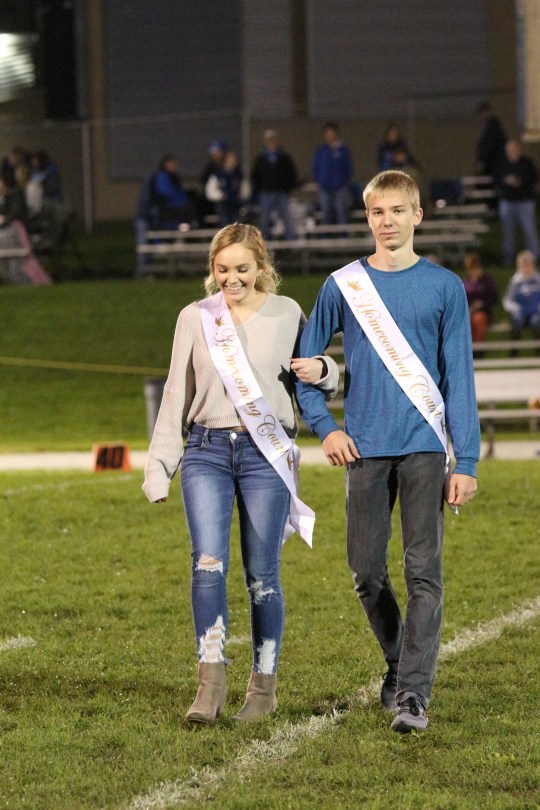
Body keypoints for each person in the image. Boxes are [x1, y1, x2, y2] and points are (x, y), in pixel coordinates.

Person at [295, 170, 479, 733]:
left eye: (399, 211)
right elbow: (304, 369)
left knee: (424, 572)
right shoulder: (342, 285)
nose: (388, 221)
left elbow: (459, 380)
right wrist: (326, 427)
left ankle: (413, 695)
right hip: (365, 450)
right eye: (378, 212)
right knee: (365, 572)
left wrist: (465, 461)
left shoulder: (445, 286)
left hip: (425, 448)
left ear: (418, 215)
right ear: (368, 217)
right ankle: (400, 663)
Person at [142, 222, 339, 724]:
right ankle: (210, 683)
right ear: (212, 271)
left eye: (243, 268)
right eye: (223, 269)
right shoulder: (195, 318)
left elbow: (316, 374)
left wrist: (329, 371)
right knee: (208, 563)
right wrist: (159, 465)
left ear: (261, 268)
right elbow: (175, 393)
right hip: (206, 450)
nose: (233, 278)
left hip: (265, 455)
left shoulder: (287, 312)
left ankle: (263, 688)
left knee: (262, 576)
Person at [494, 138, 540, 266]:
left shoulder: (526, 163)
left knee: (529, 230)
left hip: (525, 202)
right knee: (507, 232)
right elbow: (497, 179)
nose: (513, 151)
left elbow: (534, 178)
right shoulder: (502, 164)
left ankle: (533, 258)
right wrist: (506, 182)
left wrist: (520, 182)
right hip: (507, 202)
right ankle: (508, 259)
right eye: (510, 149)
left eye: (515, 148)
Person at [0, 170, 52, 285]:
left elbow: (14, 215)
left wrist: (3, 224)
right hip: (9, 231)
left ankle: (35, 280)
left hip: (15, 231)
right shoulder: (7, 197)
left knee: (20, 260)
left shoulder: (16, 195)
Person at [251, 130, 297, 240]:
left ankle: (289, 243)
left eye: (273, 139)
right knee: (264, 219)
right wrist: (259, 189)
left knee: (286, 218)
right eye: (269, 140)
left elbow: (291, 173)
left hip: (281, 192)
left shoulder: (284, 157)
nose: (271, 142)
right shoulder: (261, 159)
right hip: (266, 193)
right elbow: (255, 176)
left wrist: (287, 187)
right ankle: (264, 244)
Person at [312, 122, 353, 225]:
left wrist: (342, 181)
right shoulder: (321, 150)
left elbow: (348, 168)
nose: (329, 135)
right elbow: (315, 168)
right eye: (327, 133)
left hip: (340, 187)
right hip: (324, 187)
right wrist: (320, 181)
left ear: (336, 133)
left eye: (331, 133)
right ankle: (326, 238)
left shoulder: (343, 150)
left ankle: (343, 237)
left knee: (341, 211)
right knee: (325, 212)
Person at [502, 249, 540, 355]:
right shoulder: (515, 282)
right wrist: (516, 308)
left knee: (537, 322)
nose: (526, 267)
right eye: (524, 265)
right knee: (517, 321)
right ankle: (514, 352)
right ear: (519, 266)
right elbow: (507, 300)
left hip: (535, 313)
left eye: (529, 264)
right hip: (520, 313)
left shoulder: (538, 280)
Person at [462, 251, 498, 350]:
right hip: (468, 311)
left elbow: (493, 298)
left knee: (478, 320)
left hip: (484, 311)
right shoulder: (466, 280)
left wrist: (481, 304)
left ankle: (478, 350)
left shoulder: (487, 280)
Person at [153, 153, 197, 229]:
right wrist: (183, 202)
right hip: (170, 210)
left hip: (178, 208)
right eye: (172, 163)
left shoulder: (173, 177)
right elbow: (168, 193)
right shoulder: (163, 177)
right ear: (166, 164)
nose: (174, 166)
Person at [204, 150, 245, 227]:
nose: (232, 162)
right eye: (230, 160)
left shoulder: (238, 174)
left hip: (236, 205)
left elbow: (244, 188)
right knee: (225, 227)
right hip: (223, 205)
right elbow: (210, 191)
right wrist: (222, 196)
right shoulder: (218, 174)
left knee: (236, 228)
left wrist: (241, 197)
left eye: (234, 160)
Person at [475, 102, 507, 177]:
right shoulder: (489, 125)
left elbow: (489, 144)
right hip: (491, 161)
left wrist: (482, 159)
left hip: (492, 161)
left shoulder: (493, 126)